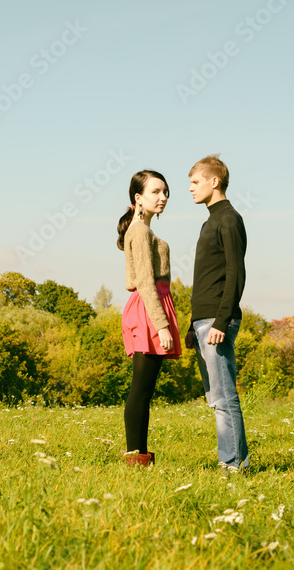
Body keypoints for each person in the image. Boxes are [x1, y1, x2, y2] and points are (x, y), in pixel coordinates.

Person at [185, 154, 249, 473]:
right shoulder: (209, 220)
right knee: (215, 398)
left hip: (217, 322)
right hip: (204, 322)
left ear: (214, 181)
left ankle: (235, 463)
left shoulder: (228, 219)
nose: (191, 189)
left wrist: (221, 321)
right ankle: (230, 460)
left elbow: (236, 274)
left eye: (195, 182)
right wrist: (191, 325)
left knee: (224, 397)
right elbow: (206, 279)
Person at [117, 170, 182, 466]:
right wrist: (162, 325)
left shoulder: (144, 230)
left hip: (150, 306)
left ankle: (139, 456)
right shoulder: (140, 231)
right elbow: (144, 281)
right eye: (156, 192)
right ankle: (136, 458)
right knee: (141, 390)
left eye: (165, 192)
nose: (163, 197)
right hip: (147, 310)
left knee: (144, 389)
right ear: (138, 198)